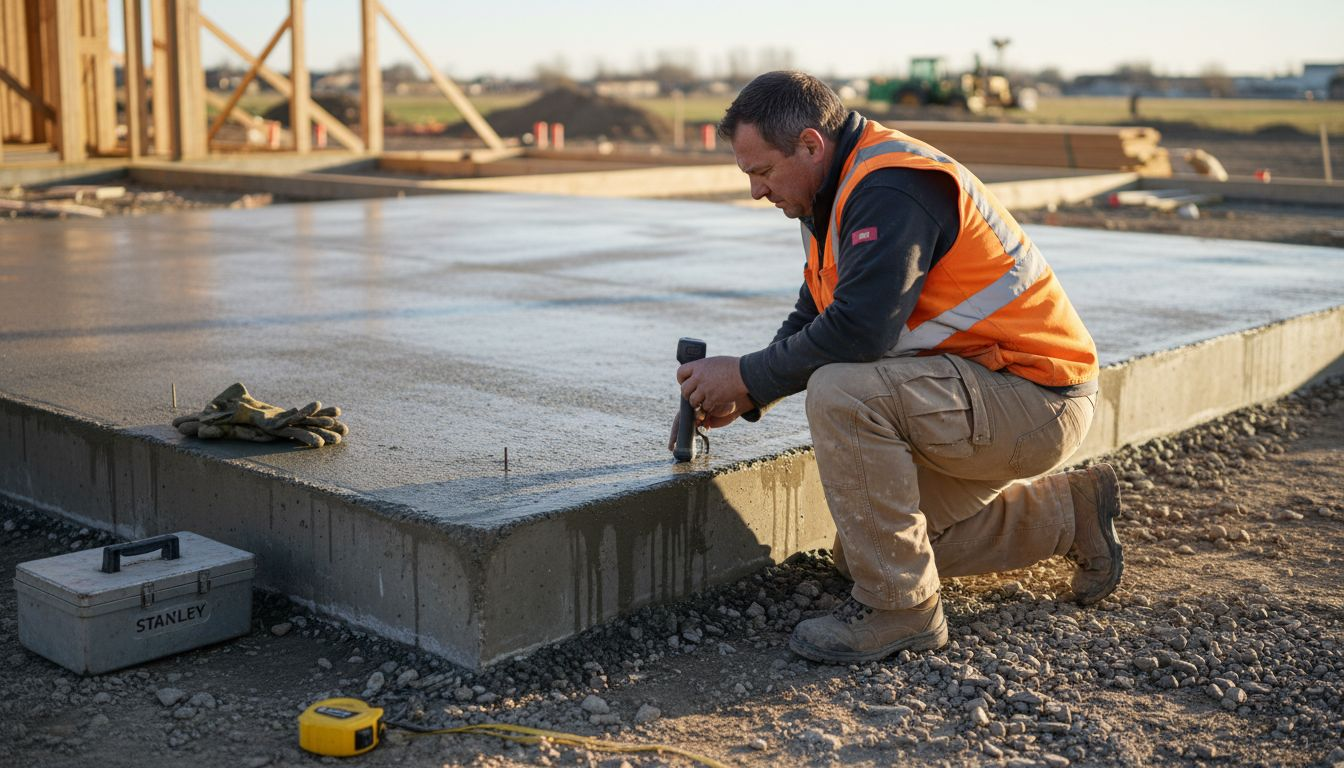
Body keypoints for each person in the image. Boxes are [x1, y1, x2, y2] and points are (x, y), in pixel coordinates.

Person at [670, 71, 1122, 664]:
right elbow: (819, 309)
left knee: (842, 391)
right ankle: (1071, 514)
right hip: (992, 394)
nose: (757, 190)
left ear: (811, 145)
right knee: (868, 550)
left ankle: (902, 612)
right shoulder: (831, 192)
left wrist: (748, 375)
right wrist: (750, 395)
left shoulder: (892, 187)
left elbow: (861, 329)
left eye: (762, 172)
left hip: (1034, 398)